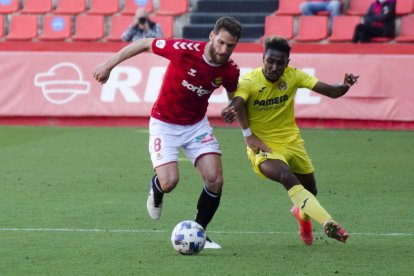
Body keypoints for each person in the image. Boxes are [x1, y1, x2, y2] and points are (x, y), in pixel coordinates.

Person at [93, 17, 243, 249]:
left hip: (196, 126)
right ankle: (157, 186)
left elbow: (234, 98)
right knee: (170, 181)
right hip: (164, 123)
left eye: (230, 46)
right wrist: (108, 65)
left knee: (215, 180)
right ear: (212, 36)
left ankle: (199, 231)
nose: (224, 50)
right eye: (221, 42)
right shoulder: (184, 50)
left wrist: (233, 109)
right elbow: (144, 43)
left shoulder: (230, 70)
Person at [221, 36, 359, 245]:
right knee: (286, 176)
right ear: (263, 58)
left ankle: (301, 215)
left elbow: (331, 91)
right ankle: (328, 222)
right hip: (262, 145)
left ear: (288, 63)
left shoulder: (293, 76)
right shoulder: (250, 81)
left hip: (292, 143)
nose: (274, 67)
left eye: (280, 63)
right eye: (270, 61)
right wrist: (237, 118)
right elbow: (237, 102)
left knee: (310, 191)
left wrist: (345, 85)